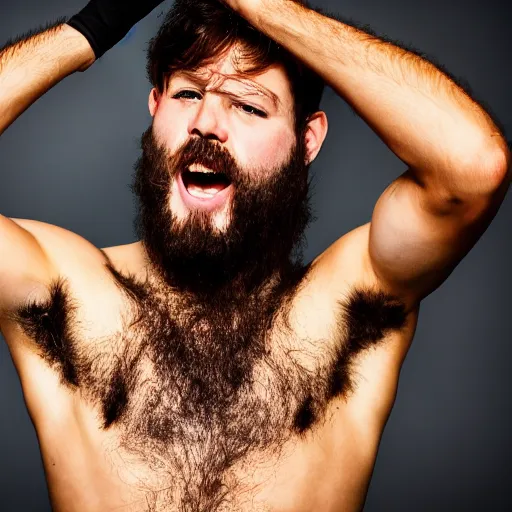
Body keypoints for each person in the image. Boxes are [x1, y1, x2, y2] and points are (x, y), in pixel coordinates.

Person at [0, 0, 509, 510]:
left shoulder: (348, 307)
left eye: (248, 106)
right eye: (187, 94)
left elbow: (472, 165)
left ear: (306, 141)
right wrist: (90, 29)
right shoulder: (59, 293)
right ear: (154, 107)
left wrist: (262, 6)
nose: (206, 123)